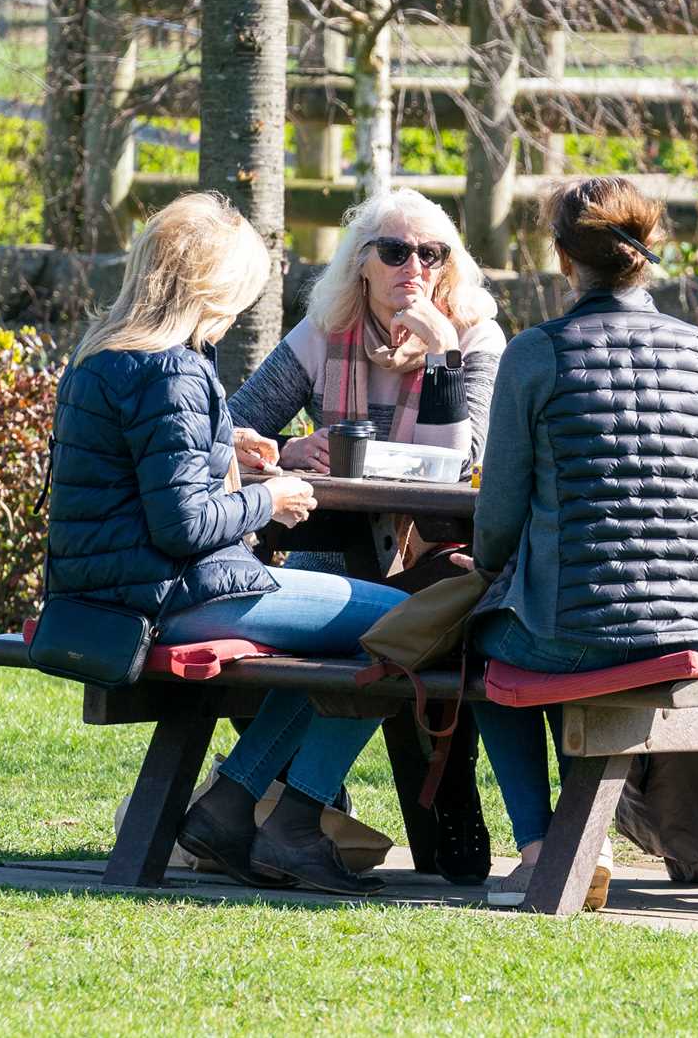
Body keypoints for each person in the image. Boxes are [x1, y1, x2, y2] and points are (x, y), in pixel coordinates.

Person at [47, 192, 407, 895]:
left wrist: (223, 444)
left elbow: (140, 476)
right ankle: (291, 818)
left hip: (113, 594)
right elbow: (183, 526)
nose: (242, 308)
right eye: (240, 289)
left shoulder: (104, 355)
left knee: (356, 634)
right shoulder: (175, 368)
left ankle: (235, 804)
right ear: (210, 285)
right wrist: (272, 496)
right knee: (404, 624)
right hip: (177, 596)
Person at [457, 177, 698, 908]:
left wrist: (491, 570)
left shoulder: (536, 352)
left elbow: (498, 517)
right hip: (696, 622)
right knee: (550, 628)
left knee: (488, 642)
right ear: (648, 253)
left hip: (577, 627)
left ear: (561, 258)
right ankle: (584, 843)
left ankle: (542, 847)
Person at [219, 188, 507, 888]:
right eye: (396, 250)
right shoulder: (324, 331)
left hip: (435, 550)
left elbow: (466, 465)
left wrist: (442, 359)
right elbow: (228, 428)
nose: (415, 265)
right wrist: (290, 450)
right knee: (366, 626)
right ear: (362, 264)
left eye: (432, 253)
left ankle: (240, 803)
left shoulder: (475, 336)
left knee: (412, 620)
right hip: (334, 546)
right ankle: (281, 811)